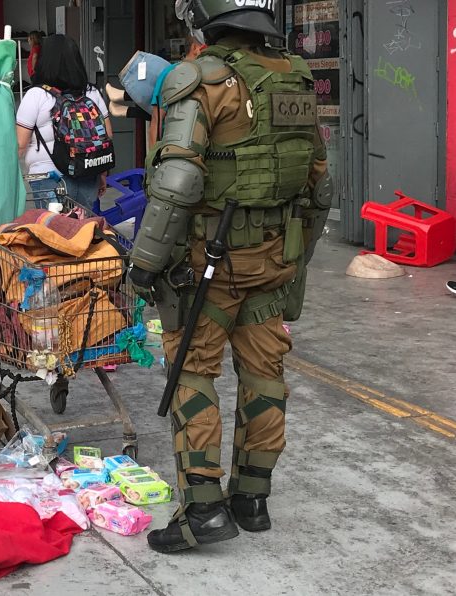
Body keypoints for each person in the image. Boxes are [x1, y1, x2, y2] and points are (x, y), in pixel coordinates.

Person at [128, 0, 332, 553]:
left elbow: (176, 185)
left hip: (206, 267)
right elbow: (320, 186)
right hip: (274, 259)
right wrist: (298, 260)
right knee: (264, 375)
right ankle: (252, 497)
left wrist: (144, 266)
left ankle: (204, 510)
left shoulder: (201, 80)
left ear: (203, 18)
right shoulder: (297, 76)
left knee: (193, 374)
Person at [15, 34, 113, 210]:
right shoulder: (91, 92)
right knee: (81, 231)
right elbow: (106, 136)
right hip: (86, 171)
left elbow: (20, 144)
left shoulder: (35, 95)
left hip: (47, 176)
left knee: (53, 232)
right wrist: (102, 174)